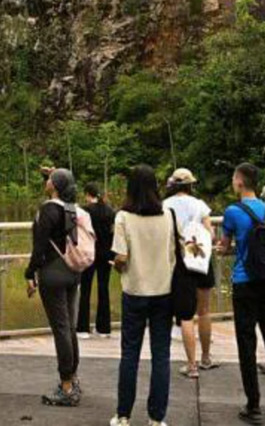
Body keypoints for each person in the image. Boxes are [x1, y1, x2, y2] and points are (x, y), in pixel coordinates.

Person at [219, 163, 265, 425]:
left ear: (239, 182)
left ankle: (253, 405)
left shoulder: (232, 212)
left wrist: (221, 248)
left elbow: (225, 247)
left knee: (247, 344)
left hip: (245, 282)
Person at [109, 165, 176, 426]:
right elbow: (172, 254)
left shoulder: (123, 217)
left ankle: (123, 415)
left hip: (135, 290)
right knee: (161, 354)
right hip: (164, 290)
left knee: (130, 354)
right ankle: (156, 418)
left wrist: (115, 265)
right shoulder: (168, 215)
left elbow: (122, 258)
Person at [25, 168, 83, 407]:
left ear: (55, 186)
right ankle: (73, 378)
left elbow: (39, 246)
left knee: (60, 329)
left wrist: (29, 273)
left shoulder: (47, 210)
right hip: (71, 271)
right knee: (69, 327)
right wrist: (52, 176)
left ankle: (66, 386)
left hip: (52, 272)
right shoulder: (70, 208)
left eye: (49, 180)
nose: (46, 181)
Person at [162, 168, 216, 377]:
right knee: (204, 310)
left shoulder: (165, 206)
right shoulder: (200, 205)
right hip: (201, 259)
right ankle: (206, 357)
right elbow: (210, 233)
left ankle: (191, 365)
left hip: (180, 263)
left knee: (185, 315)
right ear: (191, 185)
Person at [77, 182, 116, 339]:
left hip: (89, 253)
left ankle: (83, 328)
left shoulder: (85, 211)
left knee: (85, 289)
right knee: (103, 289)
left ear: (87, 194)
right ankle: (104, 328)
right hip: (106, 254)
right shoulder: (110, 211)